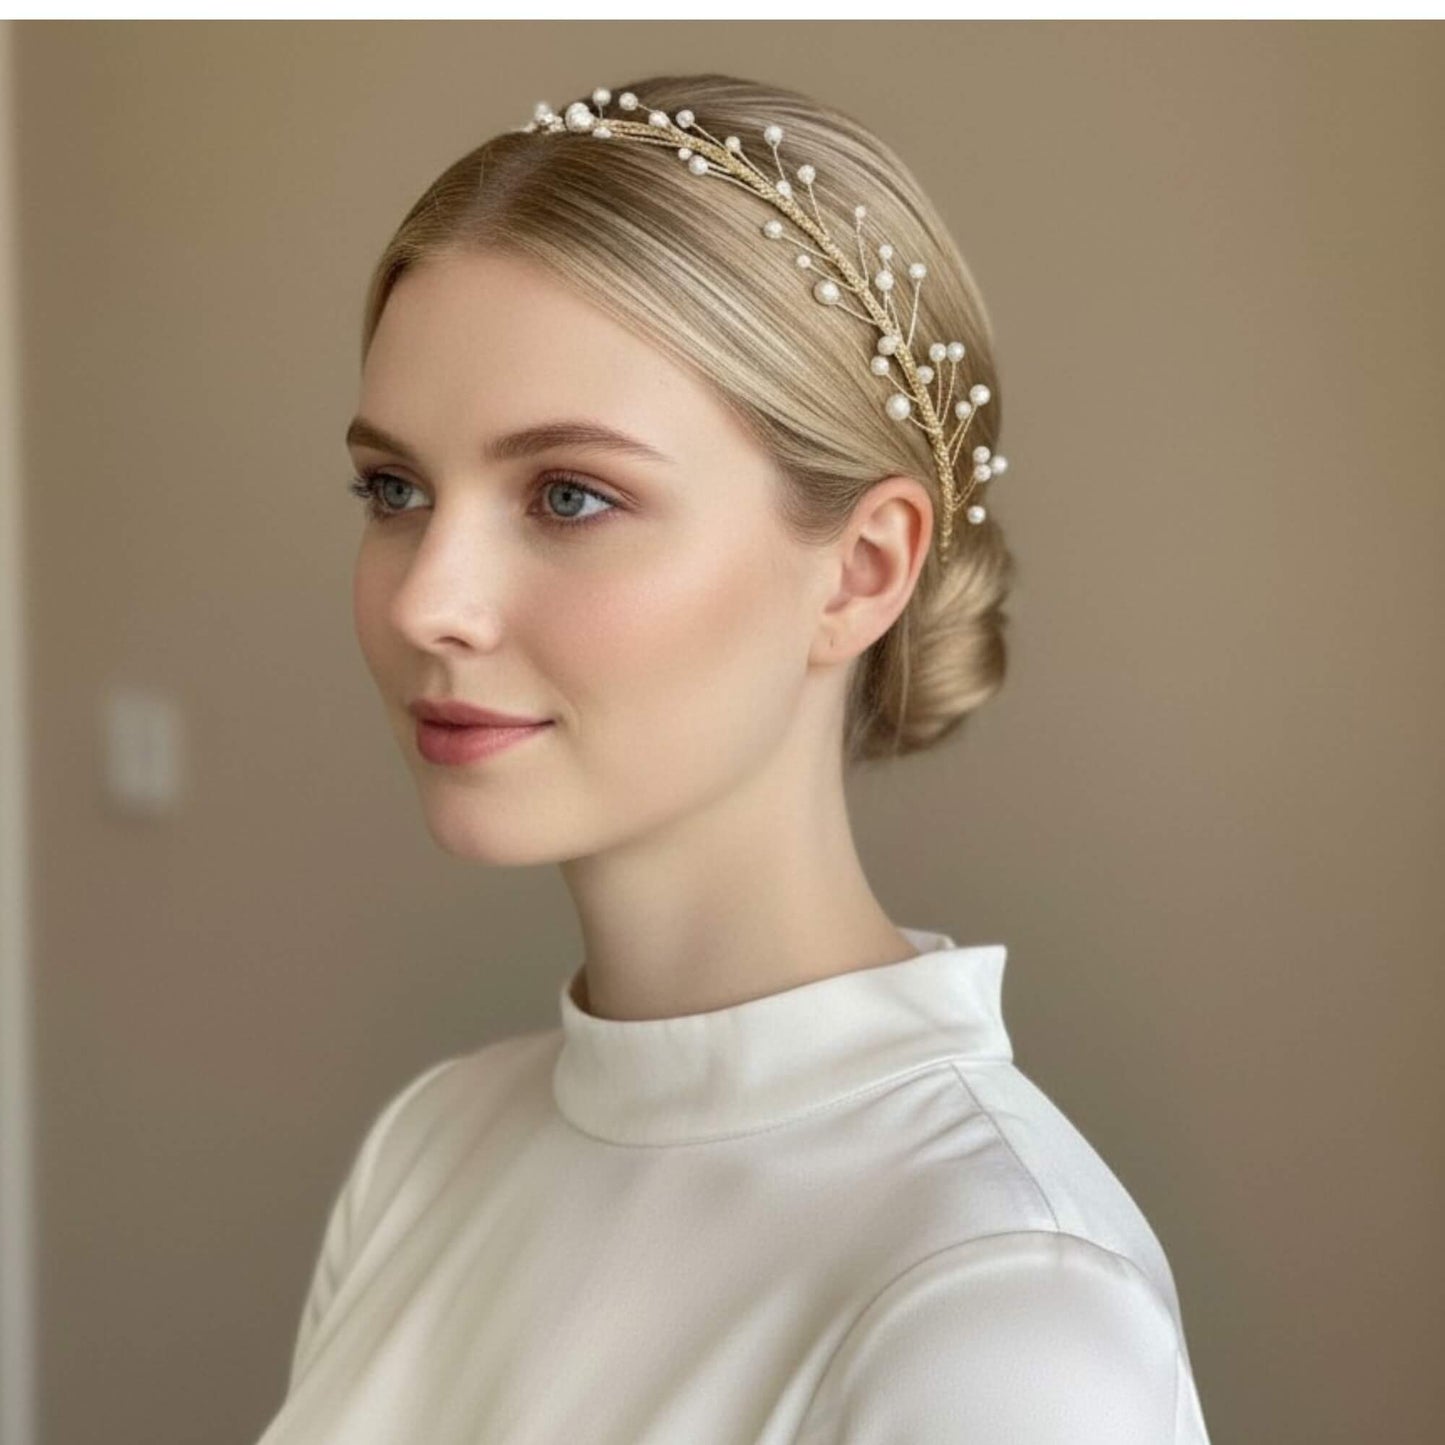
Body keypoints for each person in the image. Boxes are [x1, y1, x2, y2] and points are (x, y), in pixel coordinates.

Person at [255, 72, 1212, 1443]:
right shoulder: (427, 1150)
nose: (426, 603)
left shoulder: (1002, 1309)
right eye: (394, 489)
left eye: (569, 495)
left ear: (861, 569)